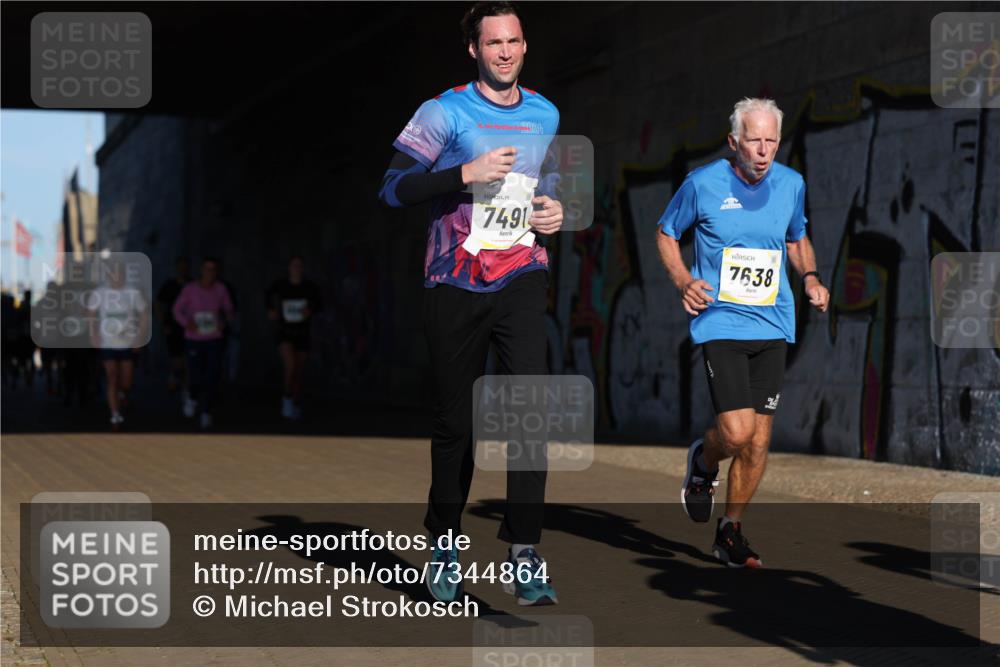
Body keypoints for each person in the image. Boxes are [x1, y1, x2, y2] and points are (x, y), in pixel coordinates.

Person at [379, 1, 562, 606]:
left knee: (531, 410)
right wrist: (464, 173)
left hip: (521, 273)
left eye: (513, 41)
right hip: (454, 280)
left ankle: (524, 551)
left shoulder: (544, 113)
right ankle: (444, 541)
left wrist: (554, 210)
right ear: (474, 50)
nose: (504, 52)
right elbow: (393, 189)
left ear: (525, 46)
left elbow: (546, 186)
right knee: (456, 422)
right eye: (493, 43)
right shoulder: (444, 112)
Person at [656, 97, 830, 568]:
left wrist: (810, 277)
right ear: (733, 141)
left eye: (772, 140)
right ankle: (704, 462)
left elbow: (796, 237)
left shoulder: (791, 184)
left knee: (758, 440)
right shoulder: (703, 183)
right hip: (721, 320)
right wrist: (684, 281)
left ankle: (730, 530)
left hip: (773, 322)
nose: (764, 150)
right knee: (736, 431)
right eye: (754, 140)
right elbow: (667, 233)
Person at [172, 257, 234, 429]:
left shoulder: (221, 289)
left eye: (213, 269)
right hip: (194, 339)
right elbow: (177, 310)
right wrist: (187, 323)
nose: (210, 272)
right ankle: (192, 396)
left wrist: (225, 321)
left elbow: (229, 310)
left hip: (214, 338)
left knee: (212, 375)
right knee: (195, 375)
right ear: (201, 270)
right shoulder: (190, 289)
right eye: (207, 269)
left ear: (217, 272)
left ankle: (207, 411)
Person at [88, 261, 149, 429]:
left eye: (119, 273)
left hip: (128, 342)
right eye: (113, 273)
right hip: (107, 343)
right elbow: (91, 313)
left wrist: (140, 337)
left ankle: (123, 393)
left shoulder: (133, 292)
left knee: (127, 382)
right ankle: (115, 415)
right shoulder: (100, 292)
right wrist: (93, 334)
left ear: (124, 274)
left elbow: (144, 314)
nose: (117, 276)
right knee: (112, 377)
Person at [266, 256, 322, 420]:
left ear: (303, 268)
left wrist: (310, 310)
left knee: (298, 370)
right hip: (285, 331)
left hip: (302, 332)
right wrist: (271, 309)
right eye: (293, 265)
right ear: (289, 268)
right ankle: (287, 398)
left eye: (299, 265)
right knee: (290, 364)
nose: (296, 268)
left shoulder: (309, 287)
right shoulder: (281, 284)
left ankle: (296, 403)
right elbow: (267, 295)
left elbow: (319, 304)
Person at [155, 257, 191, 397]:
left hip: (190, 327)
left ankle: (186, 387)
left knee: (188, 358)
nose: (183, 269)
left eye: (185, 266)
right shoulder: (169, 285)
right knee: (176, 357)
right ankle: (176, 376)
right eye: (181, 266)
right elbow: (158, 303)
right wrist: (163, 322)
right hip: (173, 326)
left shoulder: (193, 284)